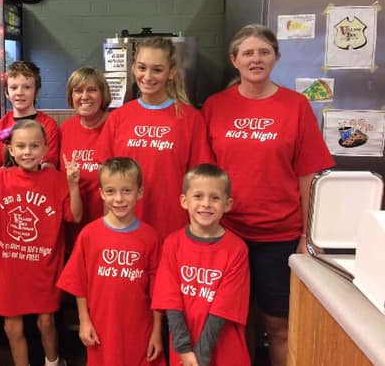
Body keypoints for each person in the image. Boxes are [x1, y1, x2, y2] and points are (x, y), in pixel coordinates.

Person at [201, 24, 334, 366]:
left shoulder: (296, 106)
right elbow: (206, 176)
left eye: (264, 52)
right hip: (227, 234)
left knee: (278, 325)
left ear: (276, 57)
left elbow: (308, 174)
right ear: (234, 60)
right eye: (247, 53)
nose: (256, 59)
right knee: (235, 322)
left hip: (280, 235)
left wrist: (307, 235)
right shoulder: (215, 106)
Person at [0, 119, 82, 366]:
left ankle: (53, 362)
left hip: (44, 269)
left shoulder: (56, 179)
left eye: (34, 146)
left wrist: (73, 186)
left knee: (46, 322)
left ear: (45, 148)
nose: (27, 152)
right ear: (11, 149)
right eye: (21, 146)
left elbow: (76, 216)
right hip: (8, 271)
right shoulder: (0, 178)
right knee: (12, 327)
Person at [96, 37, 213, 239]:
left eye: (157, 70)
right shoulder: (118, 118)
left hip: (173, 226)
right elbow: (107, 178)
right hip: (127, 226)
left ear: (171, 72)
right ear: (133, 68)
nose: (148, 76)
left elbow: (200, 180)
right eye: (142, 68)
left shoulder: (190, 119)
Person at [57, 157, 164, 366]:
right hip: (101, 328)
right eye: (111, 191)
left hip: (140, 330)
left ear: (140, 192)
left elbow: (158, 292)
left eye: (127, 191)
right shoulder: (89, 235)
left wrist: (157, 332)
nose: (119, 199)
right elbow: (79, 282)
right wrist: (84, 321)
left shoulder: (151, 237)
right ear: (101, 193)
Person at [152, 164, 250, 366]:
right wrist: (183, 349)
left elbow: (224, 308)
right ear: (184, 201)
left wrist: (201, 356)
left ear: (227, 204)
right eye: (198, 196)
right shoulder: (172, 244)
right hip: (184, 351)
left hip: (222, 347)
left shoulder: (237, 249)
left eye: (215, 198)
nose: (206, 204)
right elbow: (171, 301)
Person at [59, 67, 111, 246]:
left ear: (103, 94)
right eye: (78, 91)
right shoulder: (65, 129)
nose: (84, 96)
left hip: (107, 228)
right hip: (71, 229)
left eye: (92, 90)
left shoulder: (115, 126)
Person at [0, 61, 60, 170]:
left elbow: (49, 166)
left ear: (36, 91)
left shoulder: (48, 125)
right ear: (6, 92)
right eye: (14, 87)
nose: (19, 93)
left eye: (27, 87)